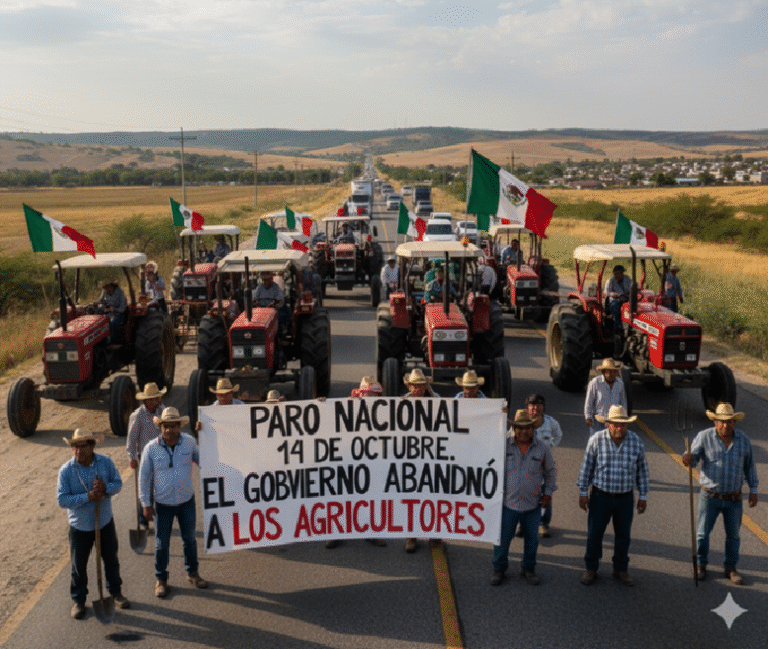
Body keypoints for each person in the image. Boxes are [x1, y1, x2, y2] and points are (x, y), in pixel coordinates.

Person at [682, 403, 759, 585]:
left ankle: (730, 568)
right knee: (702, 534)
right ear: (715, 422)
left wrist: (753, 490)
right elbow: (692, 459)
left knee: (733, 536)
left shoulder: (743, 440)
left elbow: (750, 467)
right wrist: (688, 458)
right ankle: (701, 565)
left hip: (734, 498)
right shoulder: (704, 437)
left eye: (729, 422)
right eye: (721, 422)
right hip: (710, 497)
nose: (725, 425)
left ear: (734, 422)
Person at [57, 428, 129, 619]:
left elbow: (118, 484)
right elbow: (62, 499)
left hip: (104, 522)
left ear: (92, 446)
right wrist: (87, 496)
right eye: (75, 446)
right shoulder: (66, 471)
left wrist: (106, 488)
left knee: (111, 559)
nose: (79, 450)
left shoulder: (105, 463)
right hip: (79, 527)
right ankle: (79, 600)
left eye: (83, 446)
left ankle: (115, 592)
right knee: (78, 566)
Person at [577, 405, 649, 587]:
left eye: (623, 425)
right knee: (595, 534)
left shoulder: (636, 442)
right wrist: (583, 493)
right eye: (615, 425)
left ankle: (620, 568)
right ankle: (591, 568)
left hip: (625, 498)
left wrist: (643, 496)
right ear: (608, 425)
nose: (619, 428)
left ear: (627, 425)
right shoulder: (596, 440)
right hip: (601, 496)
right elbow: (586, 468)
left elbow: (642, 470)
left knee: (623, 535)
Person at [140, 407, 208, 598]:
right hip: (162, 504)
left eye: (173, 426)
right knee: (162, 544)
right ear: (160, 427)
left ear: (179, 426)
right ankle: (161, 579)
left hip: (186, 501)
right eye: (166, 426)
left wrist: (206, 434)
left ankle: (193, 573)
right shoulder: (151, 448)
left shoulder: (189, 443)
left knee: (190, 540)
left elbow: (204, 461)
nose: (169, 430)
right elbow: (144, 477)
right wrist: (146, 503)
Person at [491, 409, 557, 586]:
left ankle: (528, 568)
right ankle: (499, 569)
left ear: (532, 429)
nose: (523, 431)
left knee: (532, 542)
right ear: (514, 429)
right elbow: (489, 465)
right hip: (507, 504)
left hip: (532, 506)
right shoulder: (503, 445)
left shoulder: (542, 448)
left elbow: (551, 472)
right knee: (502, 540)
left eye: (527, 427)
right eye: (519, 428)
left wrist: (548, 493)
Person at [327, 377, 387, 550]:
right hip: (347, 458)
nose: (372, 399)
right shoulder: (346, 406)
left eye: (375, 396)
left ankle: (371, 532)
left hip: (371, 459)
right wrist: (321, 405)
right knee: (342, 495)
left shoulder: (383, 410)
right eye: (369, 395)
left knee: (370, 495)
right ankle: (336, 532)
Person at [403, 368, 438, 552]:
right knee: (413, 498)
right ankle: (412, 535)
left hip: (432, 458)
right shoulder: (402, 403)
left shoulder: (437, 402)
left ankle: (434, 531)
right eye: (414, 386)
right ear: (409, 386)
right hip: (411, 460)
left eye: (421, 386)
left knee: (433, 496)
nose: (418, 389)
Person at [127, 382, 167, 525]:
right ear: (145, 401)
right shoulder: (137, 416)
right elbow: (131, 440)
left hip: (161, 456)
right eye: (152, 399)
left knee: (160, 488)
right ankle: (142, 519)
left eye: (157, 398)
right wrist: (132, 457)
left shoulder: (163, 411)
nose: (155, 402)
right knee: (144, 488)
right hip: (144, 458)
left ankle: (158, 515)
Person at [527, 393, 563, 538]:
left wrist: (549, 448)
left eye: (538, 405)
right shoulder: (522, 421)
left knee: (545, 494)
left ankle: (543, 524)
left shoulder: (551, 423)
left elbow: (558, 435)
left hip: (544, 465)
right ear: (527, 407)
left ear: (543, 407)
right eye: (532, 405)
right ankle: (522, 524)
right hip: (524, 464)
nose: (535, 408)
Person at [584, 358, 627, 434]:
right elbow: (589, 401)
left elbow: (623, 402)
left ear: (616, 372)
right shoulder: (595, 383)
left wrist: (624, 418)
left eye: (613, 371)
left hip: (613, 422)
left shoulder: (620, 384)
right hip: (598, 421)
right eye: (608, 371)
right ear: (603, 372)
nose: (611, 374)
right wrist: (588, 416)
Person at [96, 278, 127, 343]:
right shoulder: (104, 292)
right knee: (98, 316)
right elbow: (100, 300)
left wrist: (113, 309)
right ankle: (99, 339)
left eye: (108, 287)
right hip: (108, 312)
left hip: (118, 313)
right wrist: (97, 303)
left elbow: (122, 308)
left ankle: (114, 341)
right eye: (105, 287)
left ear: (112, 286)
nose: (107, 289)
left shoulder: (120, 292)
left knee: (113, 321)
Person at [604, 264, 632, 332]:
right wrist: (616, 294)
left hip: (627, 298)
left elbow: (632, 287)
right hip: (615, 300)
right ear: (615, 274)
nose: (621, 274)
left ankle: (631, 326)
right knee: (616, 309)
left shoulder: (627, 279)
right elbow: (606, 292)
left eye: (622, 273)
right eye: (619, 273)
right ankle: (617, 327)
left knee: (635, 309)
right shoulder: (610, 281)